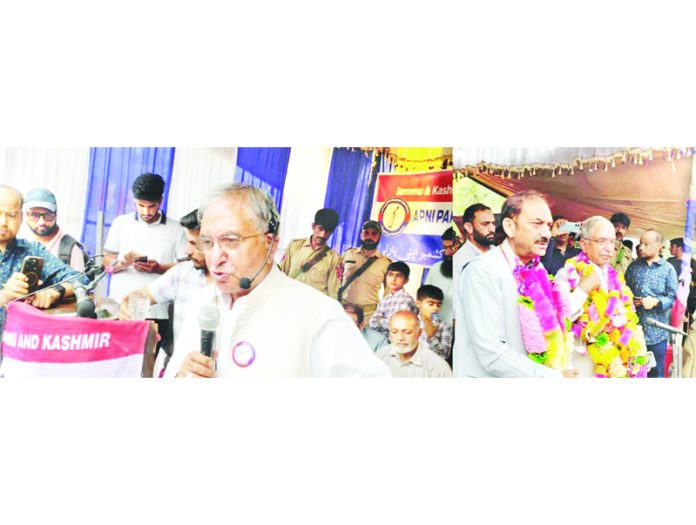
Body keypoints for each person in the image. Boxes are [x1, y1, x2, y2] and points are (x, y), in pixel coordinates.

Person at [165, 183, 390, 378]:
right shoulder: (203, 301)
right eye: (207, 243)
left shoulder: (318, 314)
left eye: (230, 241)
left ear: (270, 244)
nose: (215, 258)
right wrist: (182, 375)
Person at [452, 190, 578, 378]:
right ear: (510, 227)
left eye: (549, 225)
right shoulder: (483, 270)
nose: (546, 233)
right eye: (537, 224)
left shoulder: (538, 270)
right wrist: (555, 378)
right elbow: (492, 354)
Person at [553, 216, 651, 378]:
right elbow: (559, 317)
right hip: (583, 360)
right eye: (601, 241)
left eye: (612, 242)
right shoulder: (568, 273)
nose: (608, 248)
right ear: (584, 244)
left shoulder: (615, 277)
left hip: (614, 361)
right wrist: (583, 289)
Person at [118, 209, 210, 377]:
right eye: (188, 243)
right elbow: (137, 296)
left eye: (195, 244)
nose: (187, 251)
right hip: (178, 371)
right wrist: (126, 306)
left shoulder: (234, 286)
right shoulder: (183, 273)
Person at [103, 173, 187, 353]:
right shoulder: (121, 223)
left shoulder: (177, 229)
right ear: (134, 200)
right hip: (119, 307)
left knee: (147, 364)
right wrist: (121, 264)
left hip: (157, 312)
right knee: (114, 362)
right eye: (141, 205)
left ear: (161, 201)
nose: (146, 212)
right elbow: (106, 263)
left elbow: (186, 269)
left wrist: (159, 268)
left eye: (152, 206)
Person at [0, 185, 88, 336]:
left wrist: (54, 292)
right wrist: (5, 295)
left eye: (12, 215)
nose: (3, 222)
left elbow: (81, 279)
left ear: (21, 217)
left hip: (22, 346)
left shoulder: (32, 250)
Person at [625, 229, 678, 378]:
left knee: (656, 372)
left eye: (646, 244)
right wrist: (629, 301)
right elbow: (624, 289)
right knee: (633, 370)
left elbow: (672, 297)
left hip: (656, 333)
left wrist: (656, 302)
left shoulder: (668, 270)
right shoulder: (633, 267)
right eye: (640, 243)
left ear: (659, 246)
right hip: (633, 330)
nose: (641, 247)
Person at [336, 220, 392, 325]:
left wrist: (382, 314)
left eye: (374, 234)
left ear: (379, 237)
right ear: (361, 234)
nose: (369, 237)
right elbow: (335, 279)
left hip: (368, 315)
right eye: (366, 233)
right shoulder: (348, 254)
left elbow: (388, 292)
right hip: (344, 310)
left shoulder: (385, 263)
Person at [22, 188, 89, 272]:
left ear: (56, 214)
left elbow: (79, 284)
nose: (41, 222)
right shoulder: (19, 244)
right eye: (34, 215)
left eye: (48, 215)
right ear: (26, 215)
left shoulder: (70, 250)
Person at [280, 208, 341, 299]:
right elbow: (281, 275)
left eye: (327, 231)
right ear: (313, 226)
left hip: (314, 308)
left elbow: (333, 293)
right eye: (320, 229)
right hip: (290, 300)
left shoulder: (335, 259)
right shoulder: (294, 246)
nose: (323, 235)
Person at [452, 203, 496, 325]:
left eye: (493, 223)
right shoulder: (459, 261)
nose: (492, 229)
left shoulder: (500, 255)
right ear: (469, 227)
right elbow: (456, 308)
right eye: (485, 224)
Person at [375, 310, 452, 378]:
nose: (400, 338)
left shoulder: (439, 368)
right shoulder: (378, 358)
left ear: (419, 333)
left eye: (407, 332)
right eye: (394, 332)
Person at [368, 261, 419, 337]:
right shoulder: (385, 300)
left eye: (398, 276)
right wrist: (387, 322)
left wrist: (381, 320)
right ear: (386, 277)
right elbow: (372, 323)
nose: (393, 279)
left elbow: (398, 326)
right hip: (382, 341)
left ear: (406, 280)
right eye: (390, 275)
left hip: (398, 342)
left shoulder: (406, 300)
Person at [424, 227, 457, 324]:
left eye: (452, 247)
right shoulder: (436, 268)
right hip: (435, 328)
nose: (448, 253)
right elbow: (425, 299)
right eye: (445, 248)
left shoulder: (472, 271)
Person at [416, 284, 452, 361]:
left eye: (438, 305)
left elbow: (444, 356)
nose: (435, 308)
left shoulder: (444, 327)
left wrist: (431, 337)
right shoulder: (410, 322)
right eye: (431, 304)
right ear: (418, 304)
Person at [667, 237, 696, 320]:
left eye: (672, 246)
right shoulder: (669, 261)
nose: (670, 248)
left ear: (679, 248)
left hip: (687, 299)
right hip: (671, 299)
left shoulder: (692, 263)